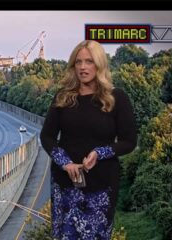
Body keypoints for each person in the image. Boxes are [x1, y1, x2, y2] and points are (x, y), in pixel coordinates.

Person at [40, 40, 137, 239]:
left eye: (89, 61)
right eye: (78, 62)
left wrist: (99, 153)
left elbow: (129, 141)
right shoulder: (63, 97)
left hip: (102, 186)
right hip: (65, 185)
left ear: (99, 64)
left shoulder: (117, 98)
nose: (83, 67)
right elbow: (47, 136)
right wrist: (65, 162)